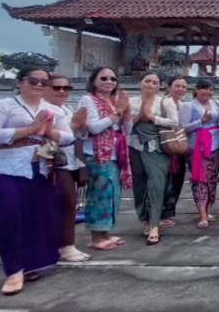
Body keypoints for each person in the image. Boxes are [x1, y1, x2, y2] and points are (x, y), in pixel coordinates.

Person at [0, 67, 73, 295]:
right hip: (6, 168)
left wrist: (49, 131)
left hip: (40, 167)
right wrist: (28, 129)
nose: (39, 85)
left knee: (38, 217)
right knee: (9, 217)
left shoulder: (51, 109)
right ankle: (13, 270)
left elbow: (68, 136)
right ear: (20, 82)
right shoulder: (3, 106)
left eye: (43, 82)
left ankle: (32, 263)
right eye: (33, 81)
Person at [79, 66, 132, 251]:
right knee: (100, 195)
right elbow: (94, 127)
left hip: (116, 152)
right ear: (94, 81)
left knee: (113, 194)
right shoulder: (88, 100)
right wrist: (117, 112)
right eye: (104, 78)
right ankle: (96, 236)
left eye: (112, 79)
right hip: (97, 154)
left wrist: (126, 113)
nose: (109, 82)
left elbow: (127, 129)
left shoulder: (114, 101)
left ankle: (106, 232)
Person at [127, 72, 179, 245]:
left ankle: (155, 225)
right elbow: (123, 126)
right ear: (141, 83)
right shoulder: (130, 101)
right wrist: (138, 118)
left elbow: (174, 122)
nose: (150, 84)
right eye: (147, 81)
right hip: (134, 146)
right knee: (140, 185)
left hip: (157, 147)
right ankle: (147, 220)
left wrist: (152, 118)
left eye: (155, 82)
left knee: (157, 185)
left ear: (159, 86)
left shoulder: (165, 101)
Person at [45, 73, 90, 262]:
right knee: (66, 202)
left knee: (69, 202)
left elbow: (78, 133)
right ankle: (64, 245)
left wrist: (79, 127)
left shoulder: (66, 108)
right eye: (57, 87)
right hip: (53, 161)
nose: (62, 91)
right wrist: (73, 127)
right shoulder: (45, 110)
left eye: (66, 88)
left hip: (70, 159)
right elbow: (51, 135)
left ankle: (65, 244)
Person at [180, 80, 219, 229]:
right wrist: (200, 121)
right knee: (200, 180)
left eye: (210, 90)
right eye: (204, 89)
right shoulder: (188, 106)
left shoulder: (216, 104)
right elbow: (182, 128)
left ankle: (208, 209)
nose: (207, 92)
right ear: (196, 90)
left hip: (215, 146)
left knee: (212, 180)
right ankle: (202, 213)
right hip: (197, 148)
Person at [160, 76, 187, 228]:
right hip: (166, 145)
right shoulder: (163, 102)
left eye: (183, 87)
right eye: (177, 86)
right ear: (169, 86)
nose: (180, 89)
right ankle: (163, 213)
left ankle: (170, 211)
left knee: (177, 178)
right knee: (166, 180)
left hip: (179, 145)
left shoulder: (182, 105)